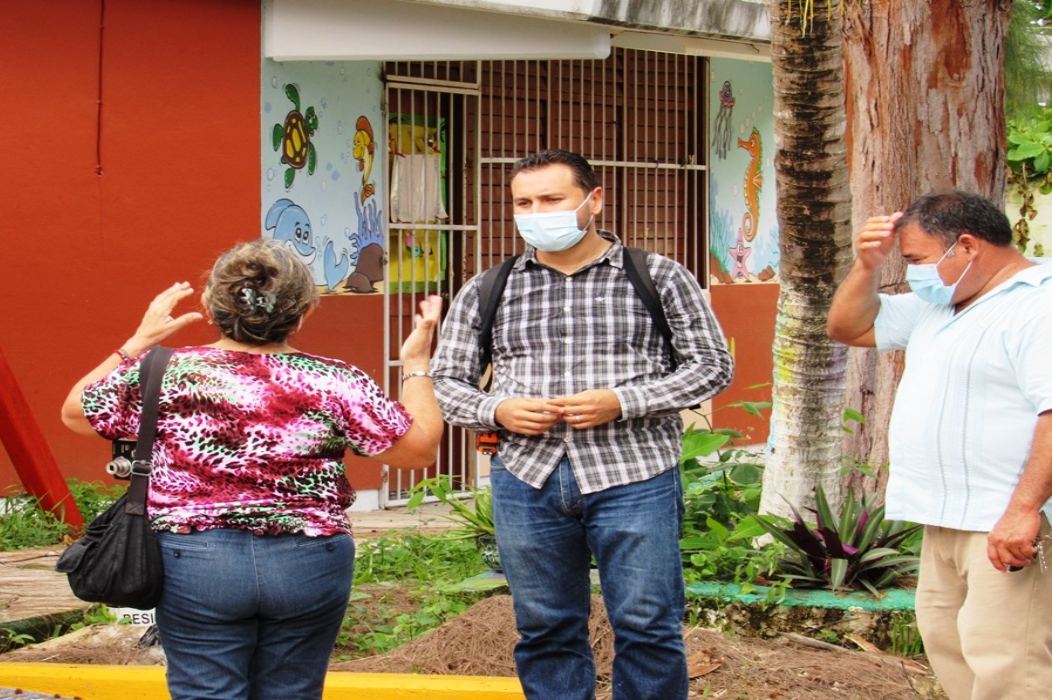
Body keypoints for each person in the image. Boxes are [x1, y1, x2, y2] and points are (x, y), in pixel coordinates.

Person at [61, 239, 443, 700]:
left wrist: (139, 342)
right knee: (293, 692)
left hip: (196, 561)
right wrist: (417, 364)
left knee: (205, 691)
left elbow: (75, 414)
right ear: (304, 311)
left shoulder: (165, 370)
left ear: (208, 303)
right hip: (309, 559)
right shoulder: (335, 379)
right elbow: (418, 451)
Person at [430, 149, 733, 700]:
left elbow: (712, 367)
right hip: (527, 478)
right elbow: (446, 381)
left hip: (635, 474)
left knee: (647, 625)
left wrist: (624, 400)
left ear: (593, 201)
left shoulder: (659, 276)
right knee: (545, 627)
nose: (536, 211)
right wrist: (497, 409)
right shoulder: (488, 288)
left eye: (552, 199)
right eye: (524, 202)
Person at [826, 191, 1052, 700]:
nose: (912, 276)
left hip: (1004, 520)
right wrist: (867, 265)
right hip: (945, 519)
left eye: (917, 261)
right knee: (951, 649)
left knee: (1010, 665)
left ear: (967, 246)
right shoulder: (942, 304)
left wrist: (1023, 510)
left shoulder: (1038, 304)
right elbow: (846, 325)